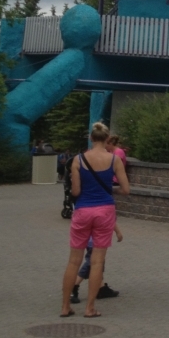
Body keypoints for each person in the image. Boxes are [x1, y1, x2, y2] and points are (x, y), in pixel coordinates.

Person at [60, 123, 129, 318]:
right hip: (105, 211)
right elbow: (125, 189)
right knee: (97, 261)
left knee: (74, 261)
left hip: (83, 210)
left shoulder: (78, 160)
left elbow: (75, 191)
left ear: (91, 138)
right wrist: (108, 189)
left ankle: (65, 306)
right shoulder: (114, 159)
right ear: (107, 140)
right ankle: (90, 308)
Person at [70, 225, 123, 304]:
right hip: (97, 239)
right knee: (92, 264)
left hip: (90, 238)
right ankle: (74, 286)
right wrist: (118, 232)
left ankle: (101, 288)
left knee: (99, 263)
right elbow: (110, 219)